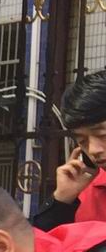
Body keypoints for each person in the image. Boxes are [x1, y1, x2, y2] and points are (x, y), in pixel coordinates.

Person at [45, 69, 106, 225]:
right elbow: (42, 239)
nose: (93, 150)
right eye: (82, 141)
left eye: (102, 135)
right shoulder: (82, 191)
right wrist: (61, 201)